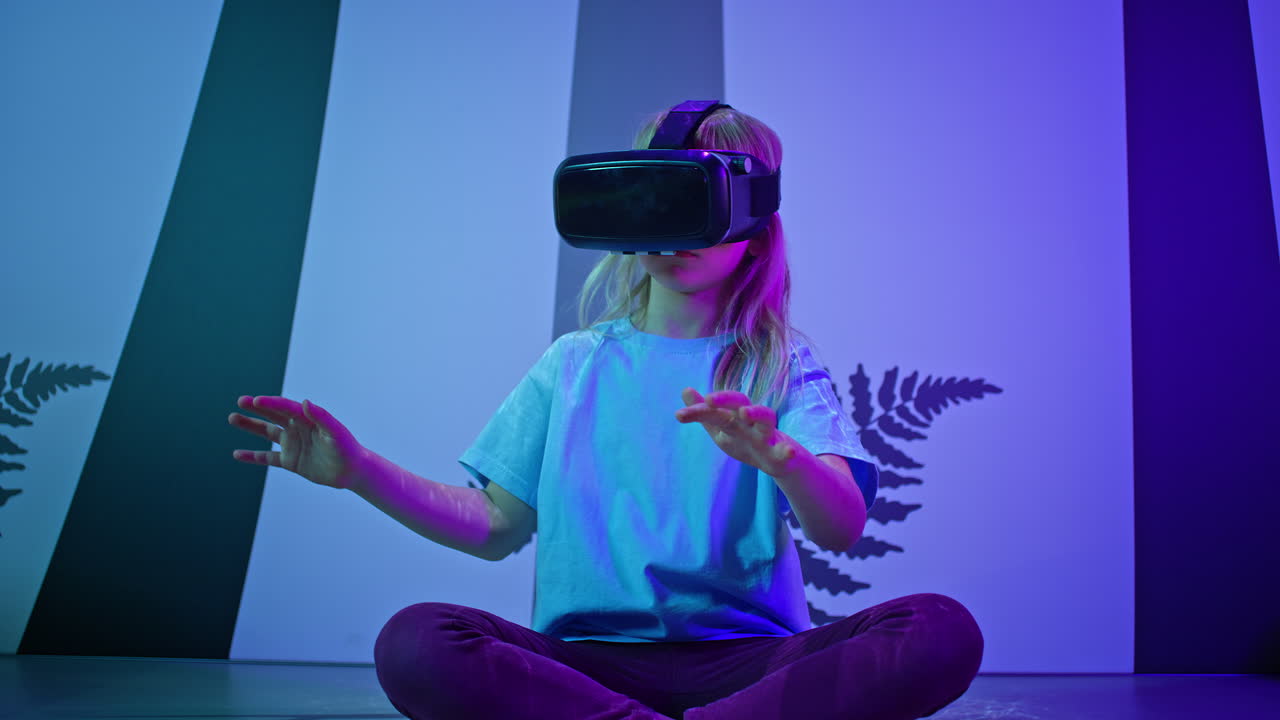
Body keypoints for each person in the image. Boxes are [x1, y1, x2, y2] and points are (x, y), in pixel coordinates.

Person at [229, 106, 983, 720]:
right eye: (653, 197)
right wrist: (359, 471)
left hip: (751, 663)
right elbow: (495, 527)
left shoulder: (781, 364)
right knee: (416, 641)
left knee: (940, 630)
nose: (668, 231)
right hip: (585, 665)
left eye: (694, 202)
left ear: (752, 228)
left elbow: (839, 526)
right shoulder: (575, 363)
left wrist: (784, 461)